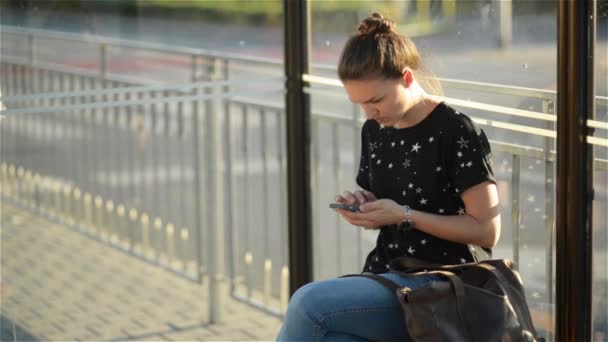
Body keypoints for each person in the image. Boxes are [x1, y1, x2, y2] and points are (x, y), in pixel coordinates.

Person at [277, 13, 500, 341]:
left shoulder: (456, 131)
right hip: (390, 275)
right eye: (359, 104)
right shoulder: (376, 130)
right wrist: (364, 207)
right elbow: (392, 202)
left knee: (308, 304)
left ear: (407, 78)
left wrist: (405, 216)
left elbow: (486, 231)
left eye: (375, 100)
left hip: (444, 285)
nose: (369, 113)